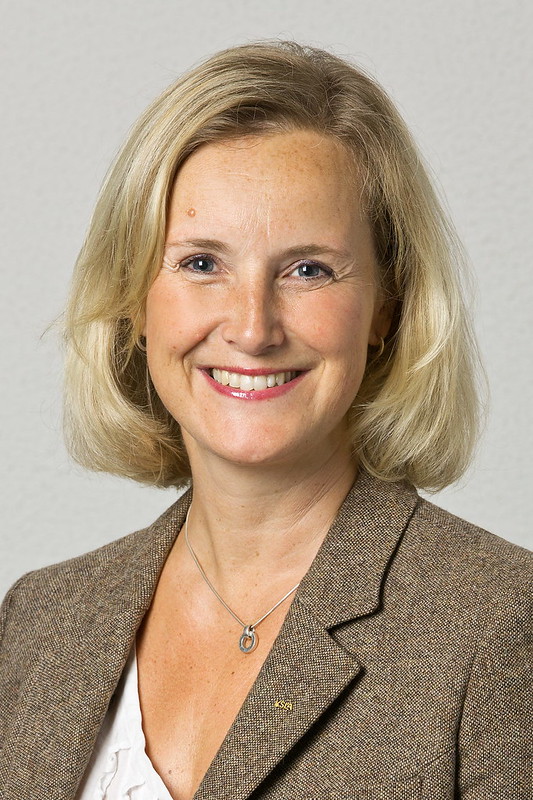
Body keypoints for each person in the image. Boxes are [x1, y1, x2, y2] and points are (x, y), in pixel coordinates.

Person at [0, 40, 531, 800]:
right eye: (201, 263)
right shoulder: (39, 623)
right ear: (134, 299)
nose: (252, 328)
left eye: (308, 269)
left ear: (385, 308)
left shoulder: (499, 625)